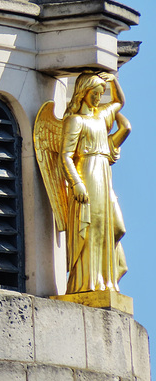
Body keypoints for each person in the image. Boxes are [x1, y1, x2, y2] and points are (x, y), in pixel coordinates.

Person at [61, 71, 128, 293]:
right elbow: (65, 155)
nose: (99, 98)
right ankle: (88, 282)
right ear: (83, 92)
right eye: (95, 93)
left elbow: (119, 102)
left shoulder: (101, 116)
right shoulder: (74, 120)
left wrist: (112, 80)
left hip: (103, 171)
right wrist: (76, 183)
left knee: (115, 227)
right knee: (92, 227)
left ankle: (106, 278)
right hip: (87, 172)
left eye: (101, 94)